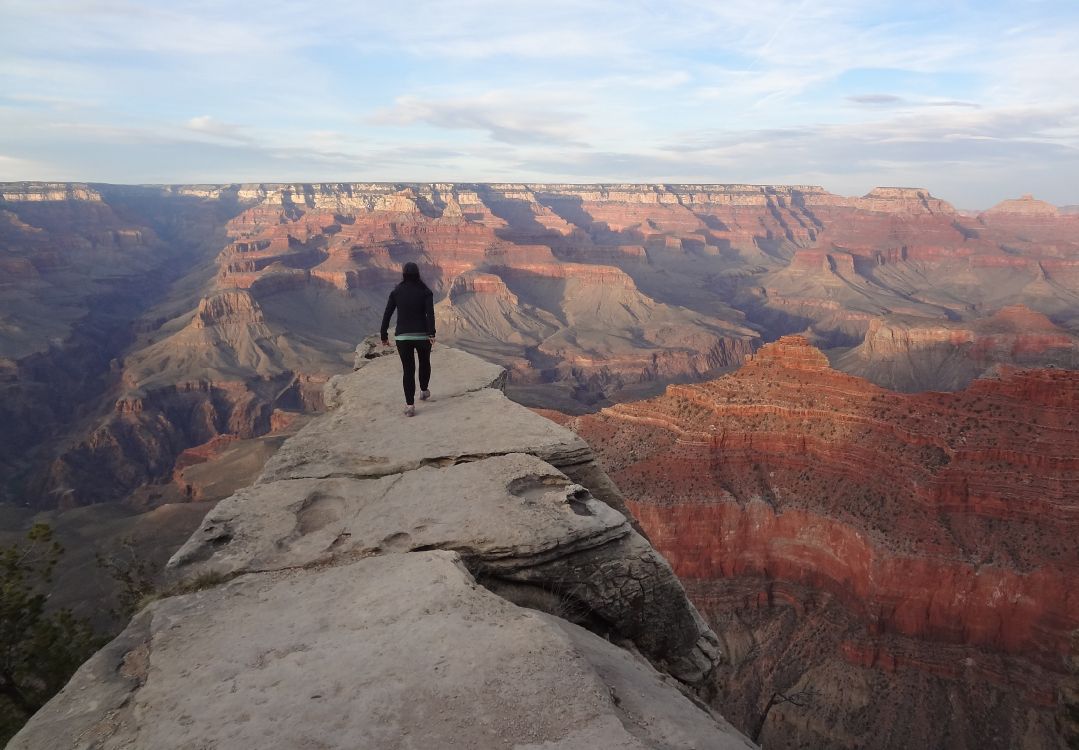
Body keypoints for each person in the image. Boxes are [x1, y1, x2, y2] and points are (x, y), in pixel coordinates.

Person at [380, 262, 436, 417]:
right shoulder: (425, 292)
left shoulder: (396, 292)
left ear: (403, 274)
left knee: (408, 370)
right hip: (422, 335)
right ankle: (424, 391)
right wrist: (431, 333)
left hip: (402, 337)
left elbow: (387, 314)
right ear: (418, 274)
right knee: (424, 362)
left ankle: (410, 406)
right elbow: (430, 315)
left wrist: (384, 335)